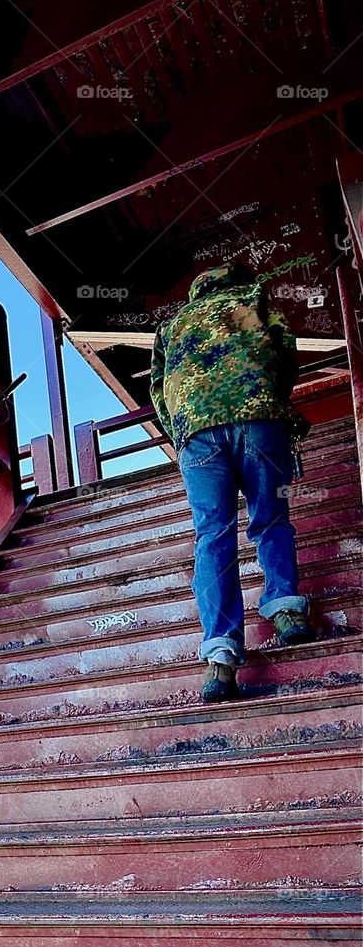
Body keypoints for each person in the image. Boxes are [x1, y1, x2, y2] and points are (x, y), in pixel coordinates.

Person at [150, 260, 313, 704]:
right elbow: (285, 353)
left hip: (197, 436)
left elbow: (158, 388)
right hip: (258, 418)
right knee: (271, 518)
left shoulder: (173, 324)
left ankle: (220, 655)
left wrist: (183, 431)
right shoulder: (253, 298)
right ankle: (285, 611)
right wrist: (270, 401)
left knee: (212, 536)